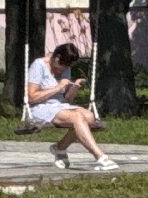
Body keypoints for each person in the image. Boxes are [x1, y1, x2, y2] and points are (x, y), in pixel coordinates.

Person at [26, 43, 118, 171]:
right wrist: (57, 87)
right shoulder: (39, 65)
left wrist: (74, 87)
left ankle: (60, 148)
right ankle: (100, 156)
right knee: (77, 118)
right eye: (61, 67)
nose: (61, 70)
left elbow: (67, 99)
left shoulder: (66, 68)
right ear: (56, 57)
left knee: (89, 117)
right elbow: (31, 97)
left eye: (66, 68)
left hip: (60, 105)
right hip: (41, 107)